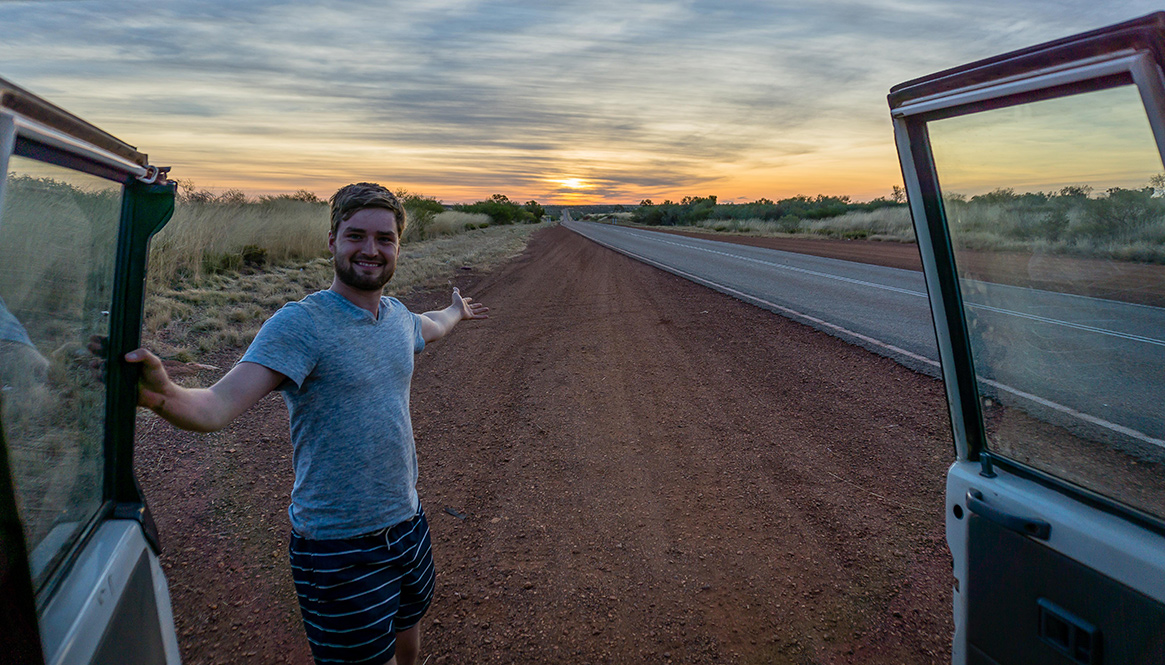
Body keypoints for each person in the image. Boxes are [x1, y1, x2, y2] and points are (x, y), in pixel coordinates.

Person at [126, 183, 488, 665]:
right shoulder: (301, 325)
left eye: (385, 239)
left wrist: (457, 311)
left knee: (409, 628)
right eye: (356, 235)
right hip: (338, 549)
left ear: (399, 246)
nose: (370, 250)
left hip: (407, 523)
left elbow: (433, 324)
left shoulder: (398, 318)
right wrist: (164, 396)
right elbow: (216, 405)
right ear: (333, 240)